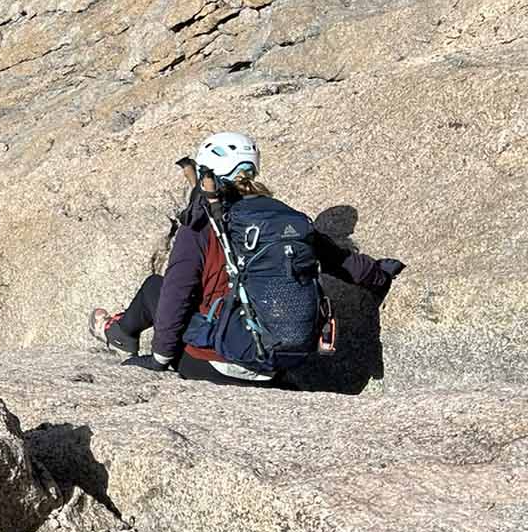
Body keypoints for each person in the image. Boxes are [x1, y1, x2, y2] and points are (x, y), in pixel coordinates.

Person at [92, 132, 404, 385]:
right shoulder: (284, 220)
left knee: (155, 288)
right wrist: (381, 274)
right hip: (277, 361)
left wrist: (159, 359)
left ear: (205, 176)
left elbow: (176, 293)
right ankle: (120, 330)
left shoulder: (202, 224)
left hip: (213, 364)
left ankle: (120, 332)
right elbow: (343, 262)